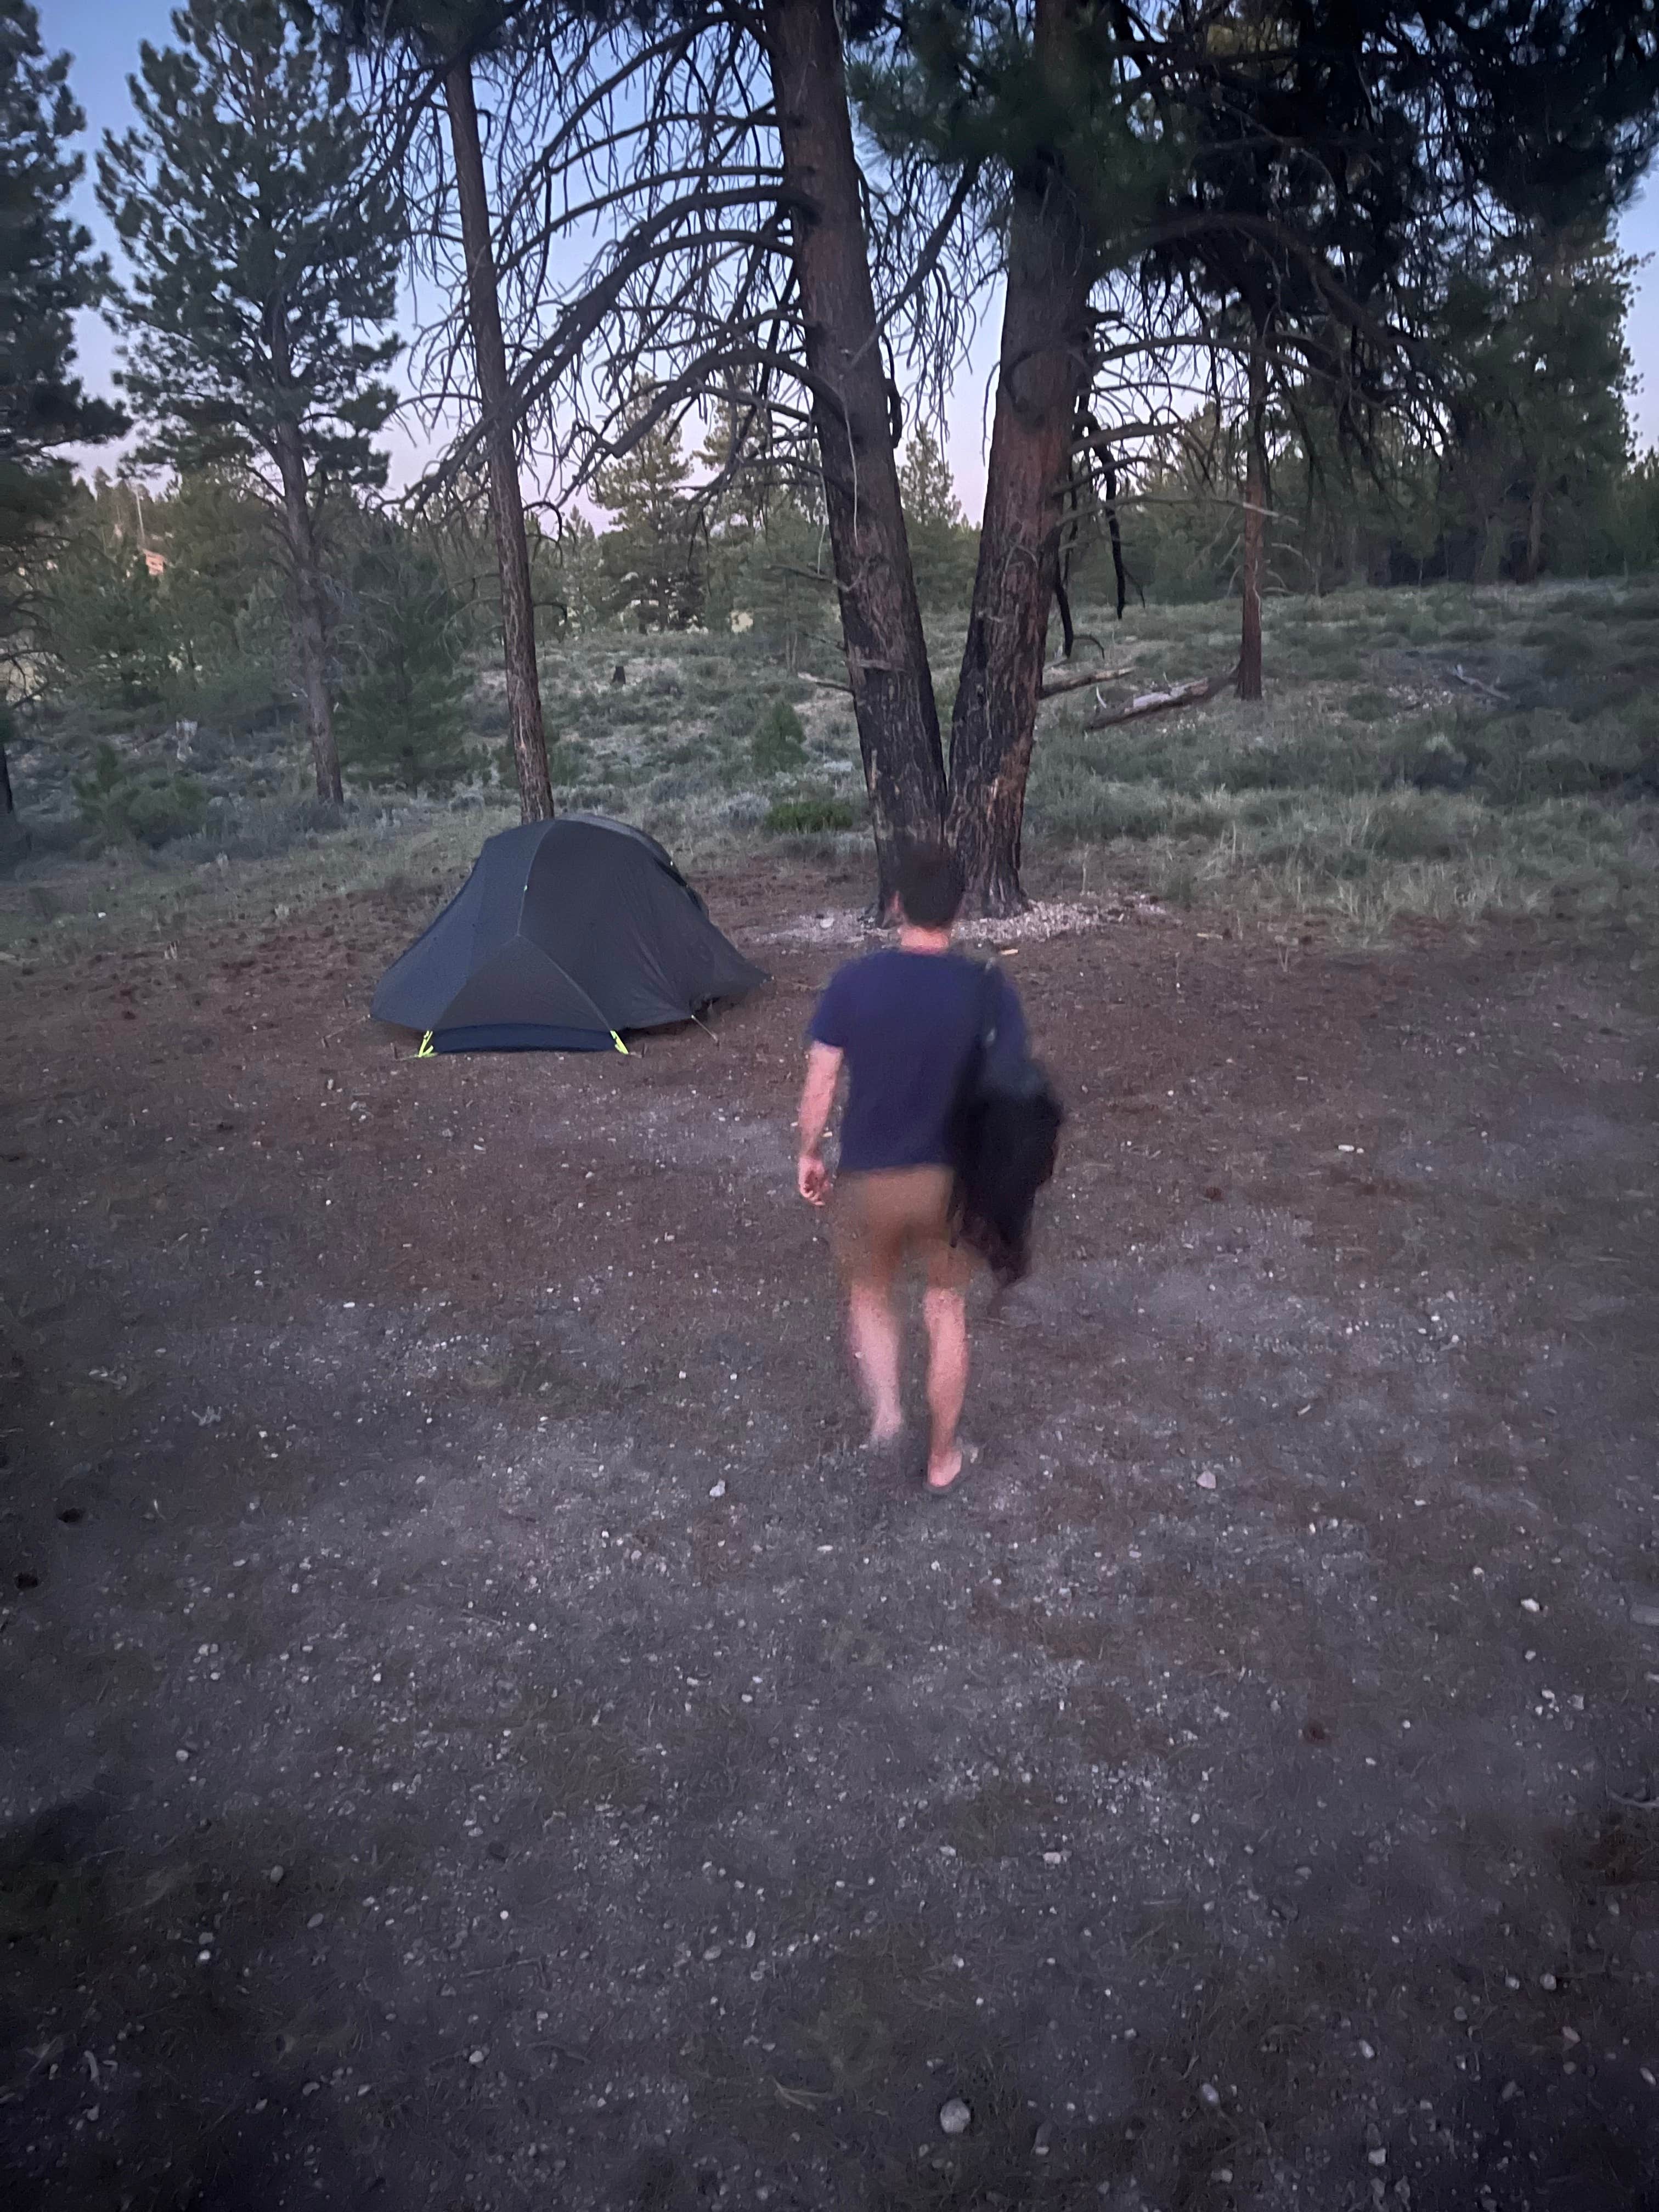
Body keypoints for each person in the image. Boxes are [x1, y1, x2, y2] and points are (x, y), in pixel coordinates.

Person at [795, 843, 1028, 1493]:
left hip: (870, 1175)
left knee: (870, 1295)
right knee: (945, 1307)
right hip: (953, 1180)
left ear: (896, 903)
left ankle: (889, 1415)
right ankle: (942, 1458)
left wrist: (810, 1151)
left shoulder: (853, 983)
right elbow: (1013, 1088)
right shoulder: (986, 990)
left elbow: (821, 1083)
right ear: (960, 906)